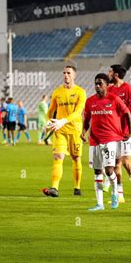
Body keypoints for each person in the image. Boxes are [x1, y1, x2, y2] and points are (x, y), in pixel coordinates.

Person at [82, 73, 131, 211]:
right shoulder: (90, 101)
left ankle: (114, 193)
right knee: (97, 171)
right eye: (96, 84)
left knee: (109, 170)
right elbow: (86, 119)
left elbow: (127, 113)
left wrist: (130, 131)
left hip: (110, 139)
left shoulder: (114, 99)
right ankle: (99, 204)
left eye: (100, 84)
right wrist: (83, 131)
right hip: (94, 140)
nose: (97, 86)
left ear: (106, 85)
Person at [42, 66, 87, 197]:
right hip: (60, 131)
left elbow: (78, 112)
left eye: (69, 73)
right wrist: (49, 121)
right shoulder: (57, 92)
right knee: (58, 157)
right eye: (64, 73)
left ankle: (77, 187)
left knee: (76, 158)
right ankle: (54, 188)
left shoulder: (80, 92)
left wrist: (63, 121)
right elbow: (50, 111)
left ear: (74, 76)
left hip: (75, 130)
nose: (66, 75)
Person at [107, 64, 131, 203]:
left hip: (127, 130)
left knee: (127, 162)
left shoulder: (128, 88)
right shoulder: (109, 89)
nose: (108, 74)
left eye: (110, 72)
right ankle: (119, 194)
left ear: (115, 74)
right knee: (116, 164)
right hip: (114, 131)